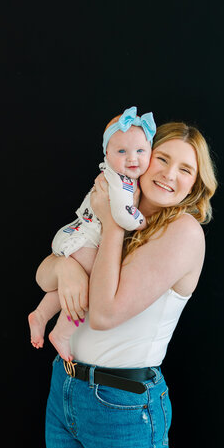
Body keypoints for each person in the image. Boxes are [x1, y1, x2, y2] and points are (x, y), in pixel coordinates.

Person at [36, 121, 218, 448]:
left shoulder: (182, 232)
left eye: (185, 169)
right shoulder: (121, 205)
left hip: (121, 408)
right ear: (143, 156)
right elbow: (43, 276)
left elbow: (103, 315)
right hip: (66, 387)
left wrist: (111, 222)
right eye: (162, 159)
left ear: (196, 184)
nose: (169, 174)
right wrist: (66, 267)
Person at [28, 106, 156, 362]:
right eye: (122, 151)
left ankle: (40, 314)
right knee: (90, 288)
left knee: (75, 284)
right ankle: (62, 333)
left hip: (79, 235)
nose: (133, 158)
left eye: (141, 151)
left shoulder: (125, 179)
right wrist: (141, 221)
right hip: (85, 240)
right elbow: (122, 215)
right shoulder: (119, 181)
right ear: (107, 154)